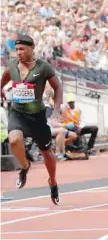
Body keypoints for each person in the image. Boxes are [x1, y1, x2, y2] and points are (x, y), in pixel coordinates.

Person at [0, 34, 63, 204]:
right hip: (17, 112)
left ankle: (53, 181)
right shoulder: (12, 65)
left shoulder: (43, 67)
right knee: (14, 141)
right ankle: (25, 166)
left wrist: (56, 110)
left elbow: (57, 87)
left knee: (47, 153)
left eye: (22, 49)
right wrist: (0, 90)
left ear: (32, 48)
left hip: (37, 116)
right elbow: (4, 78)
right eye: (16, 49)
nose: (18, 53)